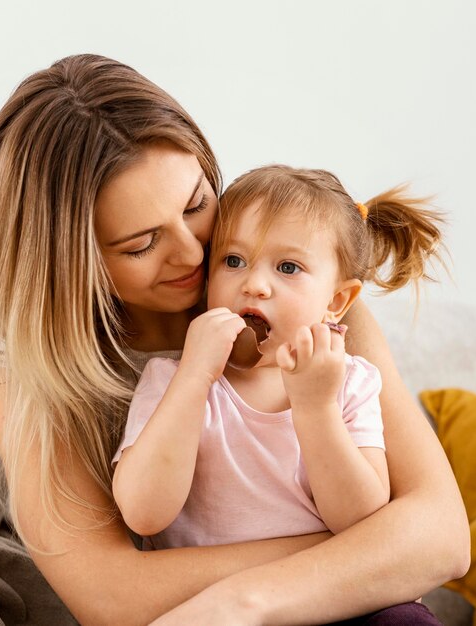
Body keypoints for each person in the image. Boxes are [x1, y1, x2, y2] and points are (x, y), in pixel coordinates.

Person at [0, 54, 469, 626]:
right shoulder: (26, 378)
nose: (193, 255)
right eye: (140, 244)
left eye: (196, 206)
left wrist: (247, 599)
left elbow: (442, 537)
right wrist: (366, 550)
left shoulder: (307, 310)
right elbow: (112, 597)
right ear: (66, 263)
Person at [113, 165, 403, 549]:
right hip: (204, 598)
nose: (254, 285)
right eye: (233, 261)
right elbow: (143, 514)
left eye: (288, 267)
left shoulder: (350, 382)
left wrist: (316, 408)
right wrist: (194, 378)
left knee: (407, 615)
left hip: (339, 596)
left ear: (336, 302)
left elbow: (363, 527)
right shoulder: (169, 380)